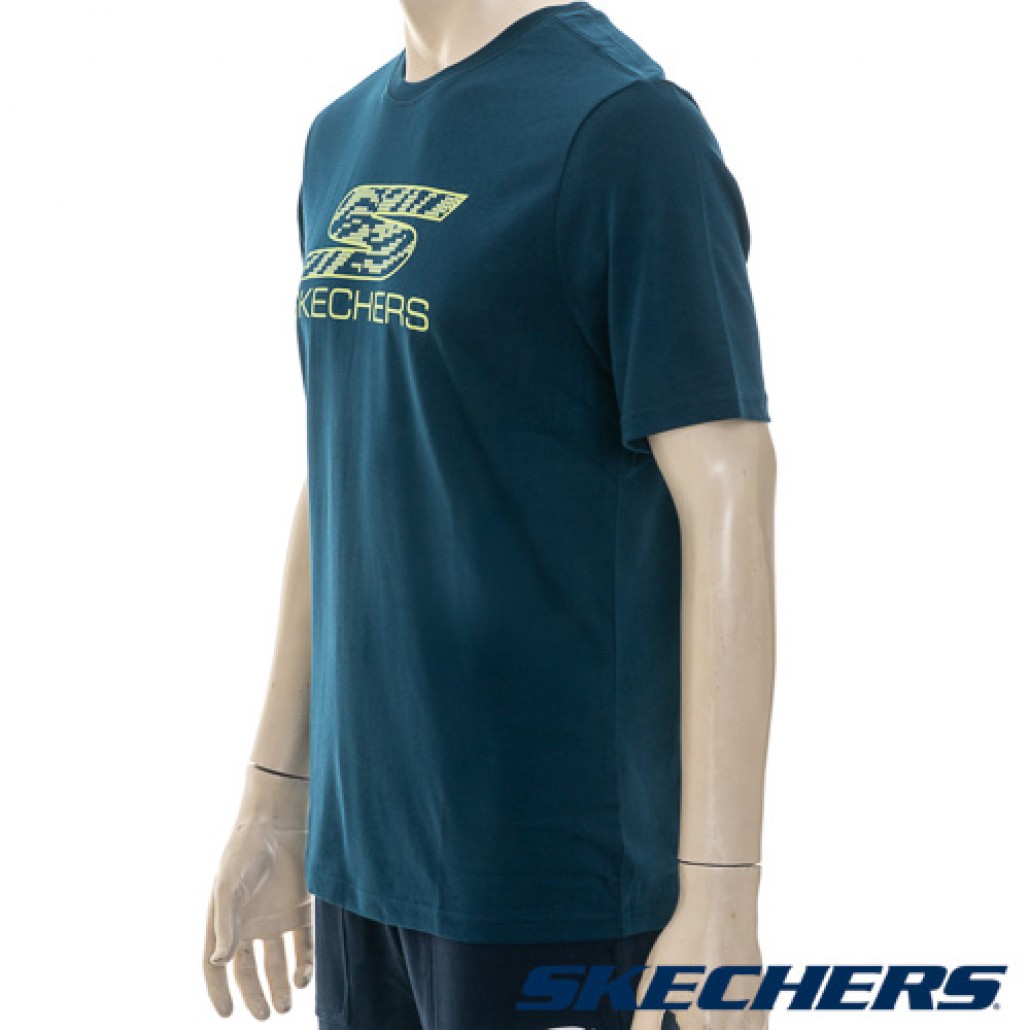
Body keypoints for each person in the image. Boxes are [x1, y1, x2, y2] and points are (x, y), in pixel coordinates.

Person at [202, 2, 776, 1028]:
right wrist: (275, 798)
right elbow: (346, 458)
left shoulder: (627, 129)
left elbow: (730, 488)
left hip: (550, 877)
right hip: (362, 862)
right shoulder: (339, 137)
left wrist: (722, 900)